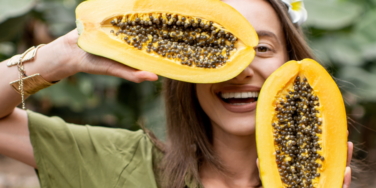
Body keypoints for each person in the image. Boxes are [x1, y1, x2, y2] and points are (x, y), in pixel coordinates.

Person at [0, 0, 353, 187]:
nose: (241, 69)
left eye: (261, 48)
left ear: (291, 63)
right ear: (185, 71)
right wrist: (59, 57)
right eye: (217, 51)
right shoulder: (120, 163)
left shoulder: (320, 183)